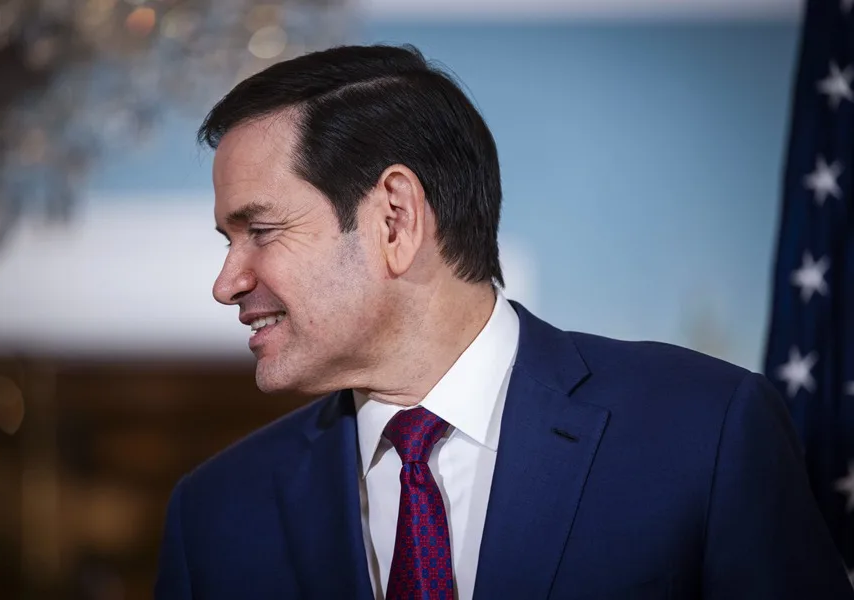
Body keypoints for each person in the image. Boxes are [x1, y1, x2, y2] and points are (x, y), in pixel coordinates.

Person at [154, 44, 852, 600]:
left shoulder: (705, 431)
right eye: (228, 240)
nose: (226, 283)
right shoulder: (214, 516)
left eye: (261, 230)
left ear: (394, 218)